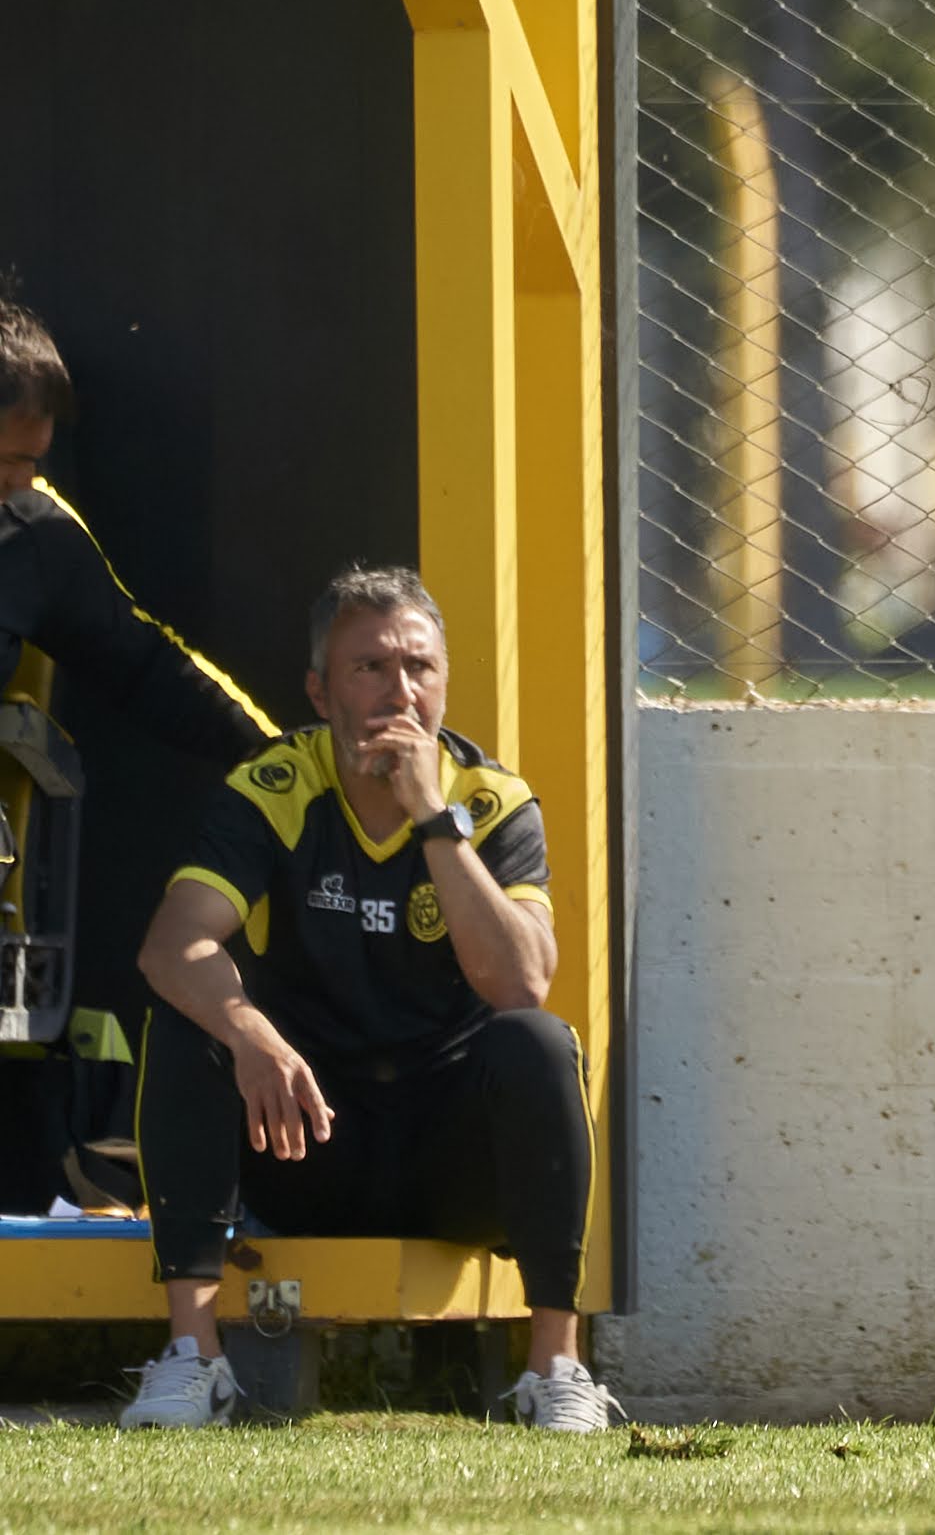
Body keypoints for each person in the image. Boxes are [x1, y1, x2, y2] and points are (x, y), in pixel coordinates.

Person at [120, 566, 605, 1432]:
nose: (399, 691)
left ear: (445, 682)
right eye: (368, 667)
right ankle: (193, 1362)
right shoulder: (276, 785)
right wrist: (248, 1031)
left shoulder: (491, 803)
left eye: (418, 667)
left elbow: (520, 980)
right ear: (318, 687)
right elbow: (173, 944)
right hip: (308, 1135)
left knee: (538, 1041)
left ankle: (555, 1369)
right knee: (190, 1022)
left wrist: (433, 822)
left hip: (446, 1158)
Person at [0, 292, 277, 1209]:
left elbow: (142, 661)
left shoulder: (37, 531)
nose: (21, 483)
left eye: (33, 464)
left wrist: (284, 760)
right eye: (5, 461)